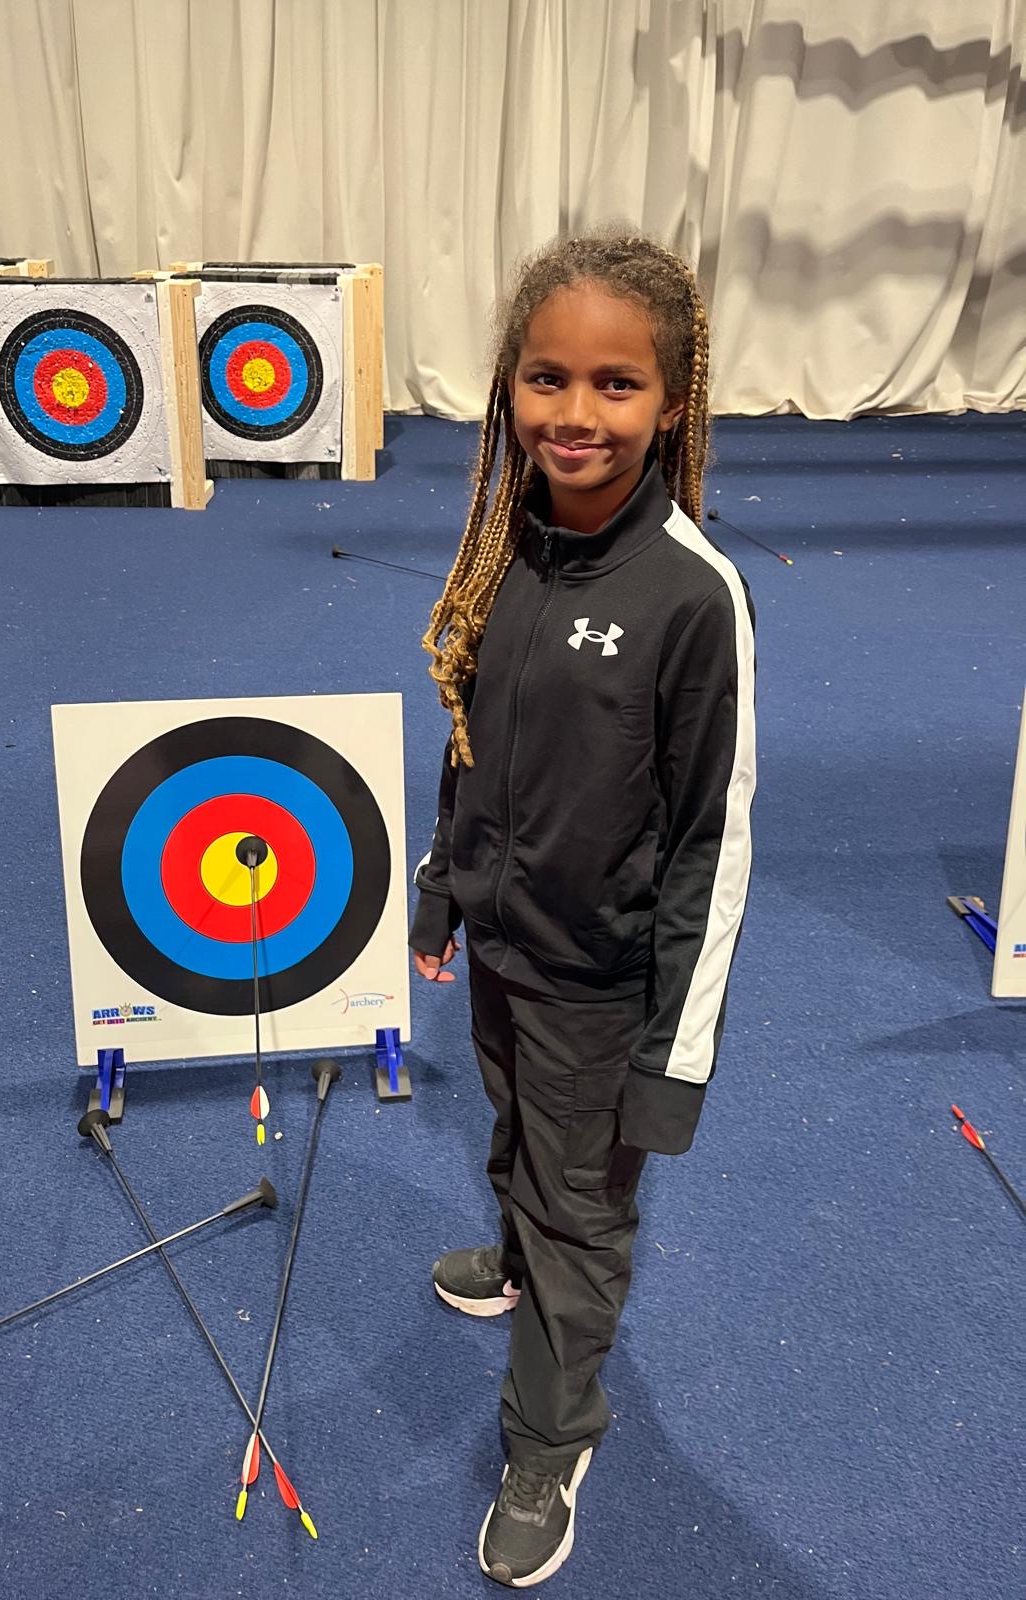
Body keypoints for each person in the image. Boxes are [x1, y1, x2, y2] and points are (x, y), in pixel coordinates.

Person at [410, 228, 757, 1588]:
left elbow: (716, 844)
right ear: (509, 384)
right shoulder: (506, 549)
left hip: (607, 989)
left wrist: (676, 1058)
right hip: (507, 949)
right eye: (546, 377)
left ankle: (553, 1437)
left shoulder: (693, 595)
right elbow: (470, 740)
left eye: (618, 384)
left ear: (674, 401)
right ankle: (512, 1254)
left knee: (581, 1217)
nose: (575, 412)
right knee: (517, 1137)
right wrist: (444, 888)